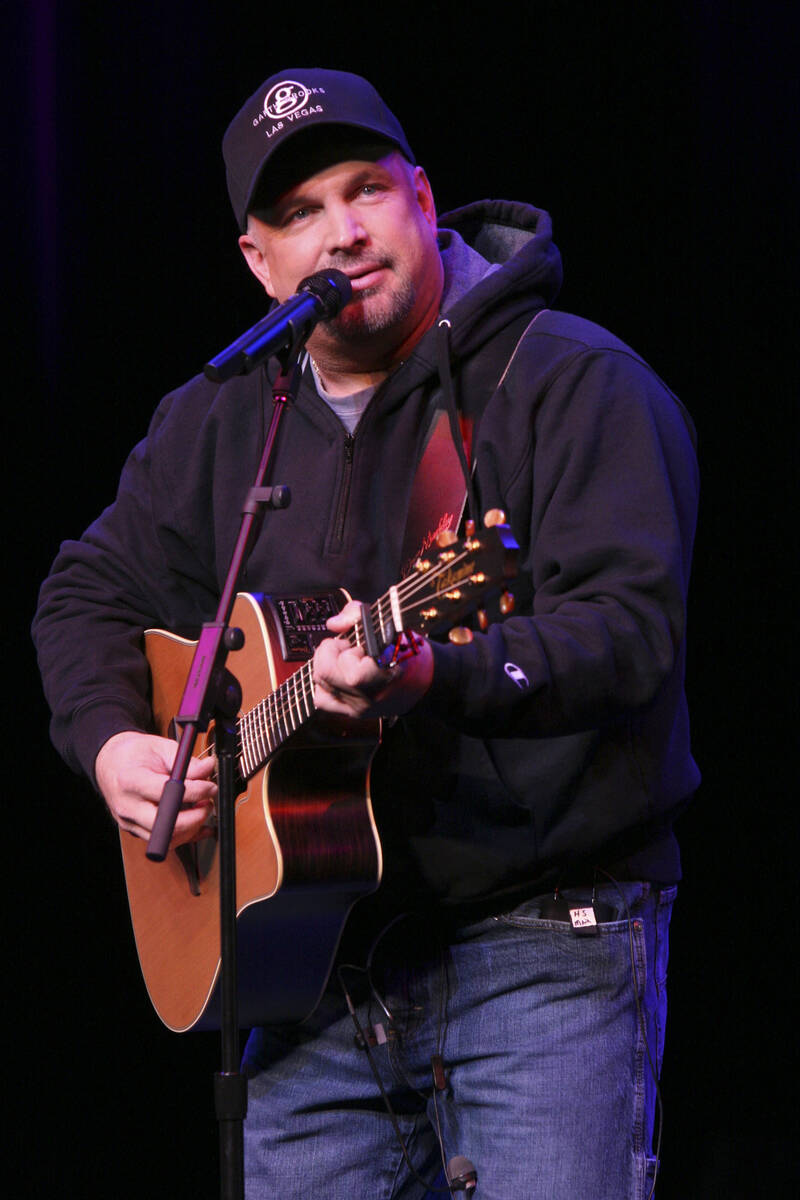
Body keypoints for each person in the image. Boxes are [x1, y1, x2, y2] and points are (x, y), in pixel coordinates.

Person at [33, 67, 700, 1199]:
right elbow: (86, 588)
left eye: (364, 191)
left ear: (422, 196)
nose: (340, 233)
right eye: (297, 214)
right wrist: (112, 746)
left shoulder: (573, 381)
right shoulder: (223, 417)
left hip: (541, 941)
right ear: (258, 260)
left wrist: (435, 669)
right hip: (310, 966)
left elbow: (625, 632)